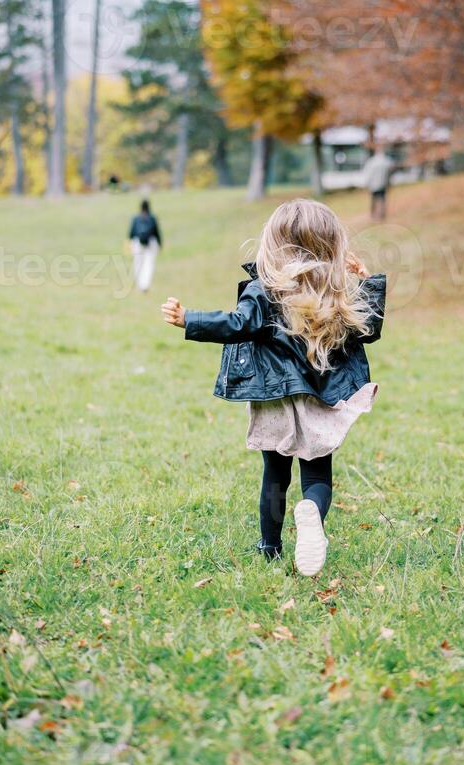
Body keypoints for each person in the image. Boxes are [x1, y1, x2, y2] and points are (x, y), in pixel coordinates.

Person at [161, 199, 386, 576]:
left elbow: (237, 325)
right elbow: (369, 328)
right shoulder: (336, 289)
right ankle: (312, 510)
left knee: (275, 473)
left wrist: (190, 319)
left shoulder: (265, 290)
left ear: (274, 244)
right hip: (320, 396)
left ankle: (270, 546)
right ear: (332, 245)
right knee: (316, 476)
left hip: (273, 397)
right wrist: (363, 281)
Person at [129, 199, 162, 293]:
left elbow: (131, 234)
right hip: (150, 244)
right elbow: (157, 233)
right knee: (148, 264)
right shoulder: (152, 218)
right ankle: (145, 285)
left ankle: (139, 284)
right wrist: (159, 244)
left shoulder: (135, 218)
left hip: (137, 244)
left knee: (137, 264)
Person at [362, 143, 395, 220]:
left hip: (373, 185)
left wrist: (367, 183)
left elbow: (368, 174)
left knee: (373, 200)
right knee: (382, 200)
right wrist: (389, 183)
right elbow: (390, 172)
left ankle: (373, 214)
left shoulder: (372, 162)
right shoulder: (387, 161)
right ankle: (382, 215)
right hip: (383, 184)